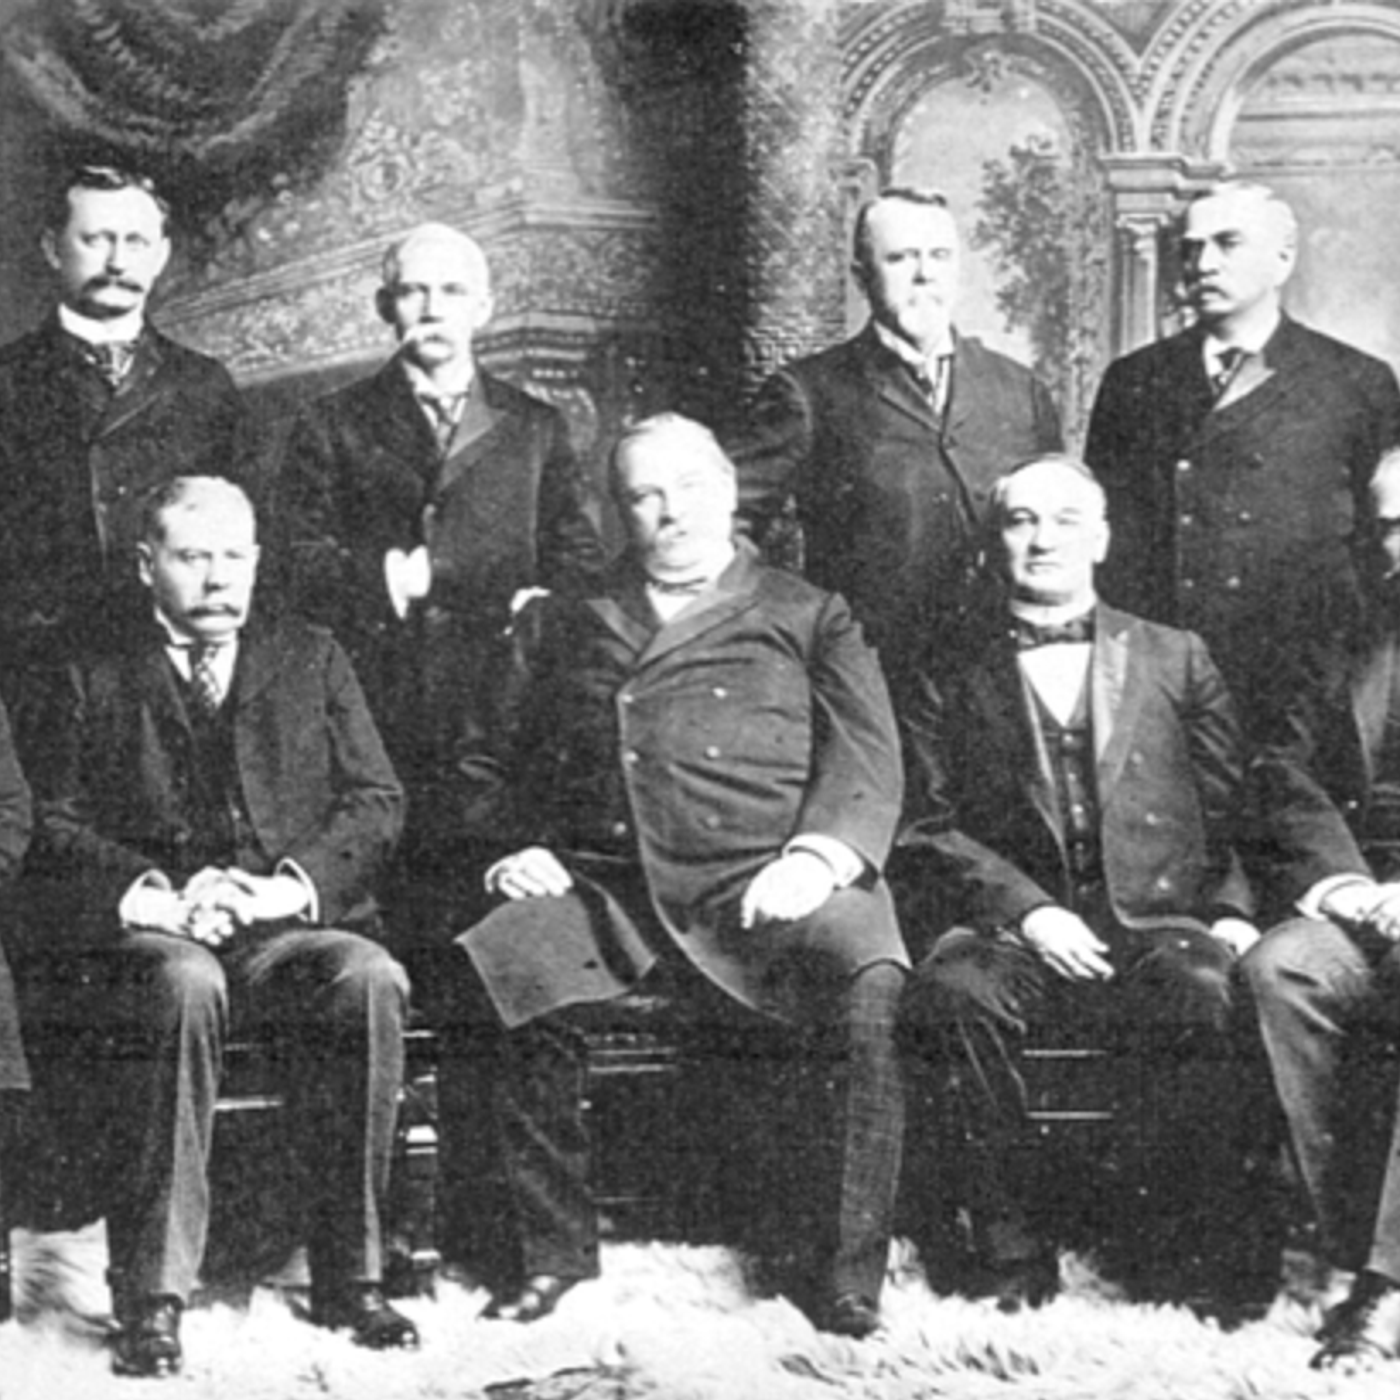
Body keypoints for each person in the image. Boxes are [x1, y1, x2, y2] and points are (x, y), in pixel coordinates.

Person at [440, 413, 908, 1338]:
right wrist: (514, 844)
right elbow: (479, 761)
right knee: (508, 959)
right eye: (645, 496)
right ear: (618, 513)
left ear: (729, 490)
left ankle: (845, 1274)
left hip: (767, 878)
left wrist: (818, 857)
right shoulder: (561, 616)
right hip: (607, 881)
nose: (672, 512)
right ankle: (548, 1255)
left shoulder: (810, 612)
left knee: (869, 973)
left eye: (690, 487)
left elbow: (870, 757)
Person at [14, 476, 417, 1377]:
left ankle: (354, 1276)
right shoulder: (86, 667)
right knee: (183, 980)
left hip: (278, 925)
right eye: (193, 557)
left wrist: (284, 889)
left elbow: (376, 800)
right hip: (155, 934)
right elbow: (48, 820)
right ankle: (153, 1297)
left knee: (367, 975)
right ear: (145, 564)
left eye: (236, 556)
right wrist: (154, 896)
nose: (219, 578)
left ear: (259, 560)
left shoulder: (311, 654)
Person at [897, 454, 1261, 1309]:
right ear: (994, 542)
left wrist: (1231, 911)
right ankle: (1010, 1256)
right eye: (1021, 520)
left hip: (1155, 917)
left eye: (1065, 520)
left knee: (1204, 989)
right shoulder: (943, 662)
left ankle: (1172, 1252)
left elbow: (1236, 808)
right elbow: (924, 821)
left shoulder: (1176, 655)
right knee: (954, 995)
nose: (1043, 539)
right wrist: (1029, 912)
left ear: (1101, 539)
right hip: (1010, 928)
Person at [279, 221, 604, 930]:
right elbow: (296, 560)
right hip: (375, 689)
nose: (432, 309)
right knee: (383, 889)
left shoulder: (537, 427)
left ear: (483, 307)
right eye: (413, 292)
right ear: (384, 306)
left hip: (499, 695)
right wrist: (386, 580)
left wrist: (539, 608)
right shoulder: (330, 422)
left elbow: (579, 561)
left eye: (453, 291)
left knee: (479, 883)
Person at [1085, 179, 1400, 728]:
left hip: (1306, 683)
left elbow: (1381, 549)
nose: (1203, 264)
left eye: (1227, 243)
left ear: (1283, 259)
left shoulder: (1357, 382)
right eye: (1191, 248)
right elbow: (1105, 540)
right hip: (1169, 681)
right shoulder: (1133, 379)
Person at [729, 186, 1061, 696]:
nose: (925, 274)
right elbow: (724, 522)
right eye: (902, 258)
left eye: (939, 256)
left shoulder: (1019, 390)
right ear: (861, 276)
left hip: (1004, 685)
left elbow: (1060, 524)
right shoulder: (810, 392)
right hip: (872, 683)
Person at [1244, 447, 1400, 1373]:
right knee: (1281, 968)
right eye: (1386, 526)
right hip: (1360, 892)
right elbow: (1280, 768)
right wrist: (1342, 882)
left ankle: (1387, 1287)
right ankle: (1353, 1249)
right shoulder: (1343, 632)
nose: (1398, 546)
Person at [0, 165, 249, 703]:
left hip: (165, 673)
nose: (117, 262)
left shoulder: (204, 385)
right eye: (96, 240)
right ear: (52, 248)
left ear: (160, 255)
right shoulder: (8, 379)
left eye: (135, 242)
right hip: (37, 672)